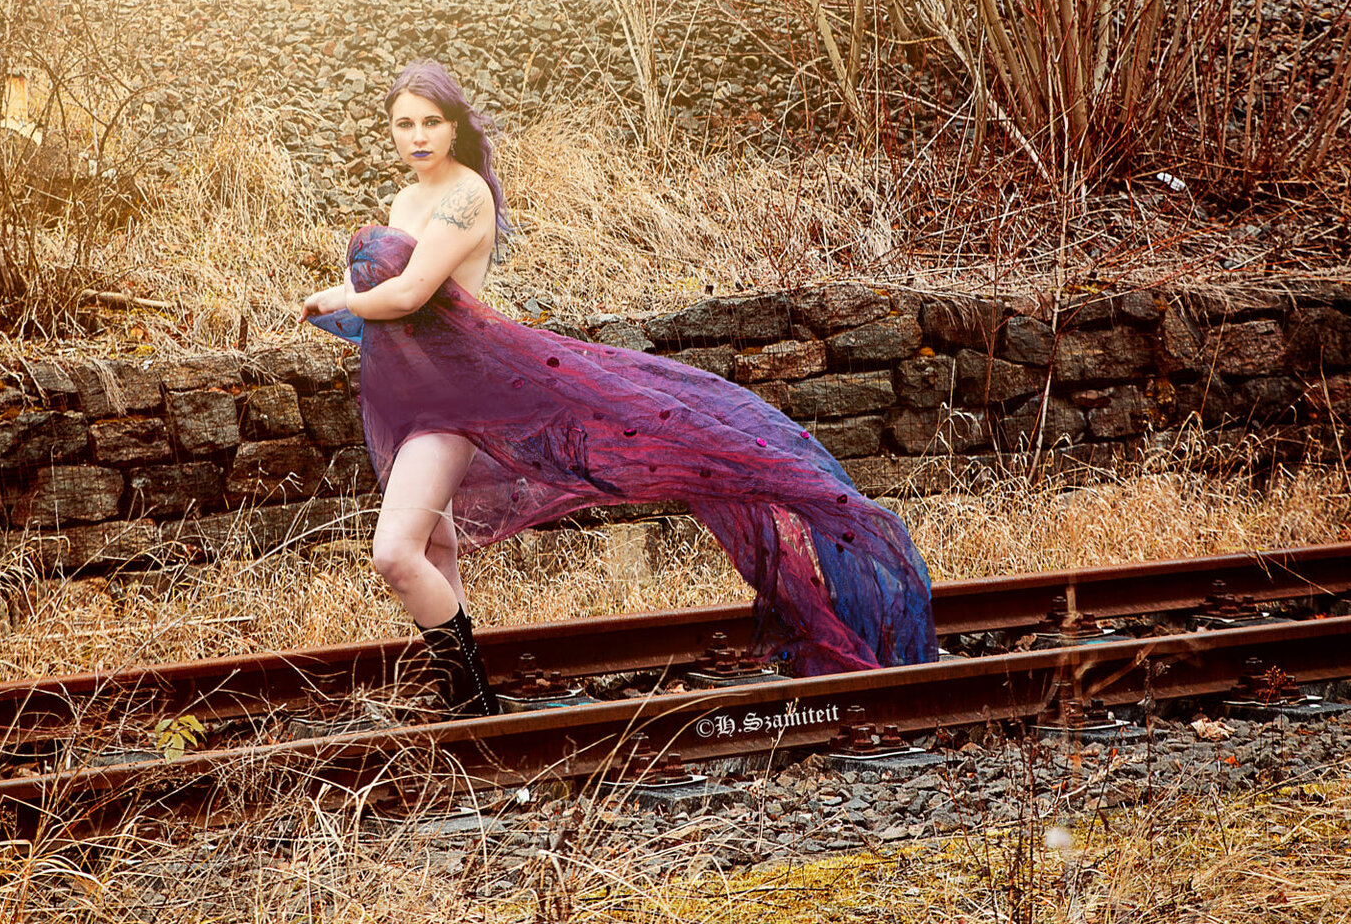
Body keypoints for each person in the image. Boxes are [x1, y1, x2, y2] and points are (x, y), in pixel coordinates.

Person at [301, 61, 935, 718]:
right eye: (404, 124)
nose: (418, 136)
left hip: (456, 405)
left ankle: (472, 705)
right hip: (409, 396)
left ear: (454, 126)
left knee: (395, 553)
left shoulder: (466, 195)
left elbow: (409, 293)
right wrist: (343, 304)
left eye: (431, 122)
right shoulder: (406, 201)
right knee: (434, 549)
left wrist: (339, 298)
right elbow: (402, 303)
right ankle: (472, 714)